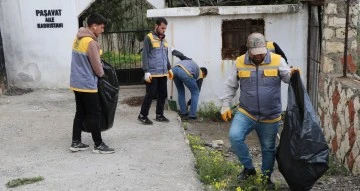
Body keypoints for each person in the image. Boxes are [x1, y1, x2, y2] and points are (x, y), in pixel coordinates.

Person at [219, 32, 299, 189]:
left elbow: (286, 78)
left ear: (265, 48)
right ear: (248, 50)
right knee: (234, 137)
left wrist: (293, 74)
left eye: (261, 53)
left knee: (268, 148)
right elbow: (230, 84)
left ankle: (266, 178)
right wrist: (225, 104)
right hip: (246, 112)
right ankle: (249, 169)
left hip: (270, 116)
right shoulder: (240, 62)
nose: (258, 56)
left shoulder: (277, 60)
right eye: (255, 53)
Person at [69, 13, 115, 154]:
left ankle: (75, 142)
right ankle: (98, 145)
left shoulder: (78, 39)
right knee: (95, 113)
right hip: (87, 84)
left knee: (80, 112)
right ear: (94, 26)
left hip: (76, 82)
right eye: (101, 27)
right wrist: (102, 75)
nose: (102, 30)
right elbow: (96, 66)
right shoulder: (91, 42)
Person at [137, 17, 173, 125]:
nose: (164, 30)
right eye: (162, 28)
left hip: (163, 72)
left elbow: (165, 56)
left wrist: (169, 68)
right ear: (156, 26)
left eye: (165, 28)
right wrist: (146, 71)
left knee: (162, 95)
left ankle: (159, 115)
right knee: (150, 94)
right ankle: (142, 115)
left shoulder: (164, 39)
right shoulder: (149, 38)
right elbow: (145, 55)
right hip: (152, 73)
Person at [171, 49, 208, 121]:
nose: (202, 78)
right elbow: (198, 90)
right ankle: (192, 115)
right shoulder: (200, 73)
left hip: (174, 70)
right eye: (204, 76)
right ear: (203, 73)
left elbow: (181, 55)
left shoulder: (190, 62)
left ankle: (184, 113)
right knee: (195, 92)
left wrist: (173, 51)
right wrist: (190, 102)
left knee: (180, 91)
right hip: (185, 71)